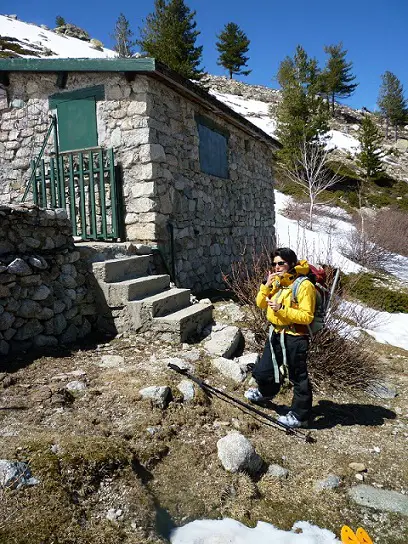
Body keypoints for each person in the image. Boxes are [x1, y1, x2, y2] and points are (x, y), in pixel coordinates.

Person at [244, 248, 316, 429]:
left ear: (291, 263)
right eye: (274, 263)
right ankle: (266, 393)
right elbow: (260, 303)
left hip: (295, 337)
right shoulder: (278, 283)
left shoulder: (304, 285)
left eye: (281, 263)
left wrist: (281, 308)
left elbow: (307, 317)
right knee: (264, 370)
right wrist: (266, 285)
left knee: (297, 377)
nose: (277, 267)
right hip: (276, 333)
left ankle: (300, 416)